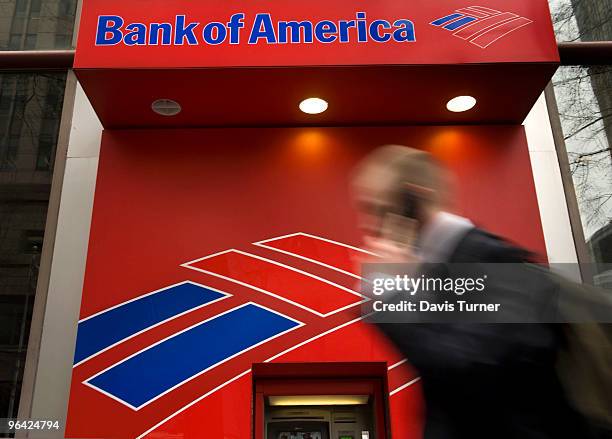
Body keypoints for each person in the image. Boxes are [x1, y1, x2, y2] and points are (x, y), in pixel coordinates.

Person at [352, 145, 588, 439]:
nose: (369, 224)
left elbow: (469, 369)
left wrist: (392, 297)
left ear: (413, 200)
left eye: (378, 209)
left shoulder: (498, 262)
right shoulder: (429, 275)